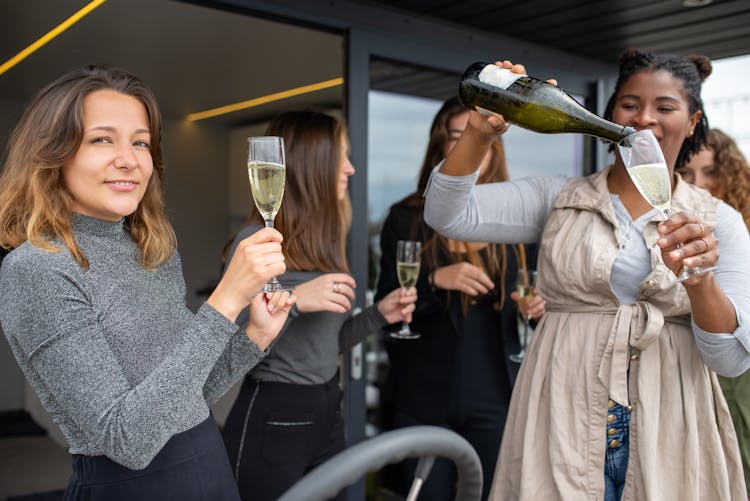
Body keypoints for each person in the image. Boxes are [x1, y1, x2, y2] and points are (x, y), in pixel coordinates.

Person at [423, 50, 750, 500]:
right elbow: (448, 214)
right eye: (630, 104)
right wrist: (480, 132)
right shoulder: (558, 197)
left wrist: (699, 281)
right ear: (610, 113)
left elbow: (729, 360)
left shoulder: (720, 221)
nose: (645, 119)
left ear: (692, 122)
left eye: (665, 107)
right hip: (563, 410)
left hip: (670, 419)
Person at [0, 64, 295, 501]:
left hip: (209, 469)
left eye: (140, 142)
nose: (129, 158)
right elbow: (128, 441)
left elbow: (187, 397)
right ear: (54, 153)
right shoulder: (37, 270)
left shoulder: (151, 249)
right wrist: (225, 301)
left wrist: (252, 336)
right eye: (102, 139)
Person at [221, 110, 417, 501]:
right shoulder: (256, 244)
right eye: (341, 156)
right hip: (274, 416)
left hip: (327, 409)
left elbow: (324, 347)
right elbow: (231, 355)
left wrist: (381, 314)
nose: (351, 168)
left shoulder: (326, 251)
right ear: (312, 164)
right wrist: (295, 301)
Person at [375, 96, 545, 501]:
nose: (466, 146)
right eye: (457, 136)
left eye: (480, 136)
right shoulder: (406, 218)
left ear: (495, 147)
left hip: (495, 397)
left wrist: (537, 309)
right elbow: (384, 306)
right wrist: (436, 280)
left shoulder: (518, 221)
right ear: (439, 146)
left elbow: (538, 301)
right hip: (423, 396)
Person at [678, 128, 750, 498]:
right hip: (687, 366)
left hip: (739, 367)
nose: (700, 185)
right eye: (688, 175)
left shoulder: (738, 228)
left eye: (710, 173)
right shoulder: (672, 227)